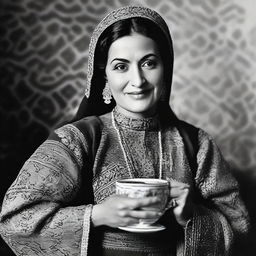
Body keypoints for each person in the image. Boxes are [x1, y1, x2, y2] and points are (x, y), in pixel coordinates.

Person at [0, 5, 250, 256]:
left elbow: (241, 229)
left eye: (149, 63)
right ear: (104, 76)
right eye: (121, 66)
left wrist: (191, 216)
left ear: (166, 70)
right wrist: (97, 215)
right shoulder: (78, 140)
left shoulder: (196, 144)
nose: (138, 80)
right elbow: (15, 220)